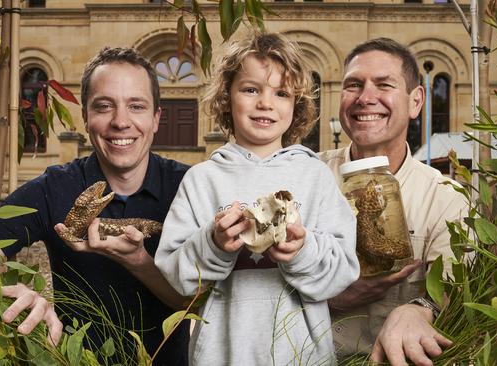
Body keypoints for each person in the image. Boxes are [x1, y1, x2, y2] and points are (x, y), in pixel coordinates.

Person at [154, 32, 360, 365]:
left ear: (297, 105)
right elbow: (176, 274)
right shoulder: (202, 180)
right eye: (251, 90)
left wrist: (302, 250)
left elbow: (343, 271)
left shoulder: (316, 177)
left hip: (303, 356)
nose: (265, 103)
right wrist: (214, 242)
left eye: (281, 93)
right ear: (226, 97)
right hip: (221, 354)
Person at [0, 47, 189, 365]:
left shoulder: (188, 188)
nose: (121, 122)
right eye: (104, 107)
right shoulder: (55, 186)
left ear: (156, 118)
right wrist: (14, 290)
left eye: (136, 106)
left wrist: (139, 262)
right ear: (85, 117)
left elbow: (200, 302)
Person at [319, 38, 469, 366]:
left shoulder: (446, 198)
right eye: (353, 85)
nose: (365, 98)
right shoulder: (305, 178)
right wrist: (329, 295)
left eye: (384, 84)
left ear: (416, 101)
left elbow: (460, 292)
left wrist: (418, 310)